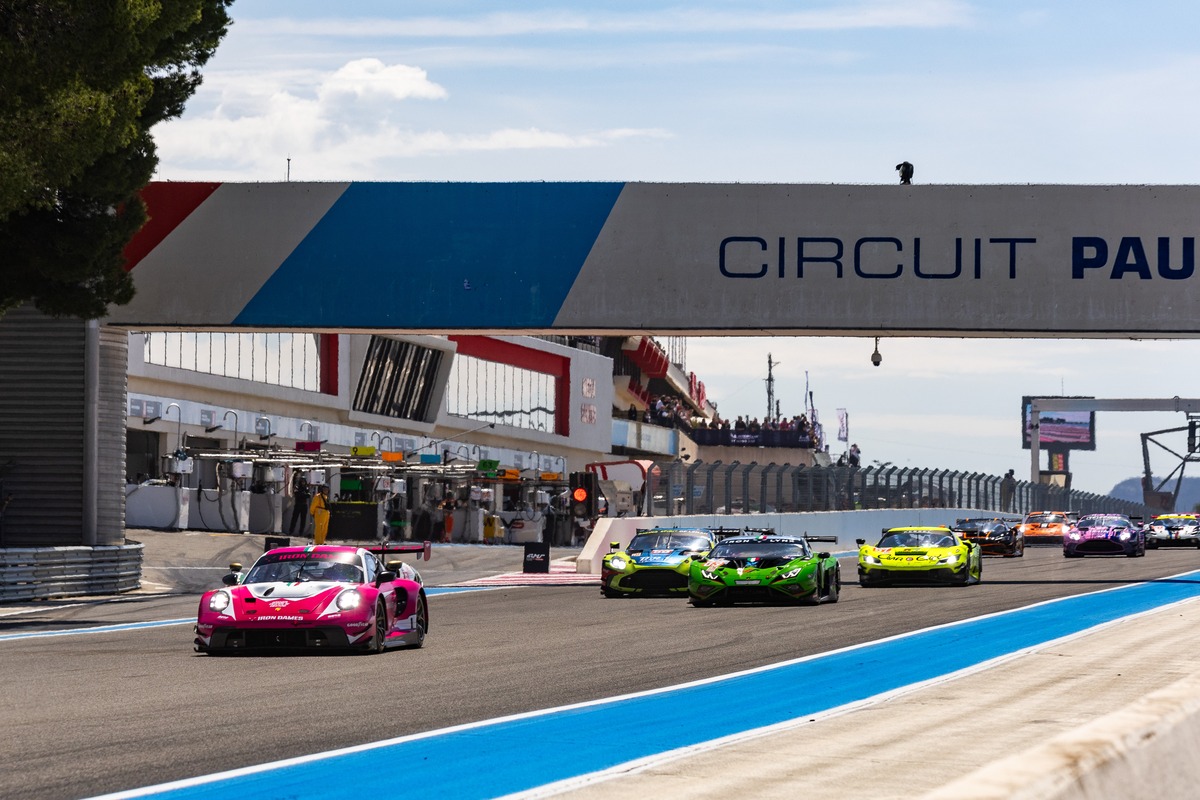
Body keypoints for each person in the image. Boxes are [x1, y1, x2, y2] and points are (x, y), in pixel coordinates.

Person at [287, 470, 310, 535]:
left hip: (304, 505)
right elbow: (297, 494)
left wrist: (302, 494)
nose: (303, 483)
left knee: (303, 520)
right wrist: (303, 494)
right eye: (302, 481)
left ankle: (301, 532)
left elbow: (308, 495)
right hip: (298, 504)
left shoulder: (306, 488)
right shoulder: (297, 487)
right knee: (294, 518)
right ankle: (291, 531)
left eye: (304, 482)